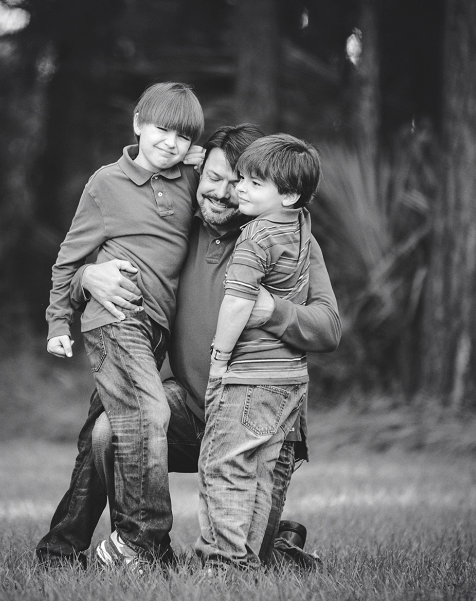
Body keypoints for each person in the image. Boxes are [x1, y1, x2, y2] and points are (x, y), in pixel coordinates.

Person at [36, 124, 340, 570]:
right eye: (211, 177)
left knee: (239, 563)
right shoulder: (179, 232)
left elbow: (329, 327)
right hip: (193, 410)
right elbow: (104, 257)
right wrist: (86, 277)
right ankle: (136, 548)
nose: (221, 192)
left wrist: (272, 310)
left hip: (255, 424)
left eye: (237, 182)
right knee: (110, 429)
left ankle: (280, 543)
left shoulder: (285, 239)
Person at [44, 82, 204, 567]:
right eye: (161, 128)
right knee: (150, 415)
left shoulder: (189, 180)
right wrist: (58, 321)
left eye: (182, 135)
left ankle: (59, 549)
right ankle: (146, 542)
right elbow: (68, 261)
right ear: (138, 123)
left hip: (153, 333)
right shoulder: (105, 184)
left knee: (104, 434)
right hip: (117, 320)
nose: (170, 142)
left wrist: (206, 161)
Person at [194, 134, 321, 571]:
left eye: (252, 183)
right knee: (262, 474)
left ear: (288, 193)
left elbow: (237, 302)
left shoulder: (256, 237)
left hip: (249, 376)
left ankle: (224, 565)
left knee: (225, 468)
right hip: (290, 380)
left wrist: (219, 358)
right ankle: (247, 562)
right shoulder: (300, 225)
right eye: (240, 178)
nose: (239, 189)